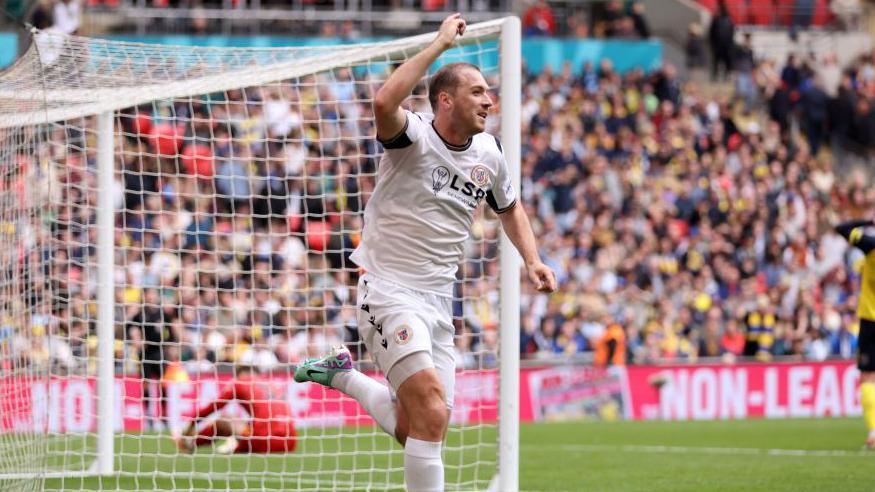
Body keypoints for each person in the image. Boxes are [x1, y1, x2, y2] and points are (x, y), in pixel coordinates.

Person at [294, 13, 557, 492]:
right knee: (431, 409)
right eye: (477, 92)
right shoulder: (412, 137)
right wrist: (439, 45)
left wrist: (532, 259)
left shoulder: (489, 154)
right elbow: (383, 100)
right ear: (445, 99)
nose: (488, 100)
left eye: (488, 92)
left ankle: (342, 376)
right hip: (389, 289)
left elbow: (510, 208)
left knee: (416, 426)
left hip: (439, 301)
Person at [175, 365, 297, 454]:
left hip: (264, 441)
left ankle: (190, 443)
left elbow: (213, 407)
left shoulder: (240, 382)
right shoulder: (272, 385)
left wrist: (191, 423)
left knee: (224, 419)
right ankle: (234, 445)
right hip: (290, 442)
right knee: (242, 421)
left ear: (240, 375)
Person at [835, 219, 875, 449]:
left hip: (871, 320)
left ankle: (873, 431)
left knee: (868, 376)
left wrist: (867, 221)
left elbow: (842, 228)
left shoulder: (871, 245)